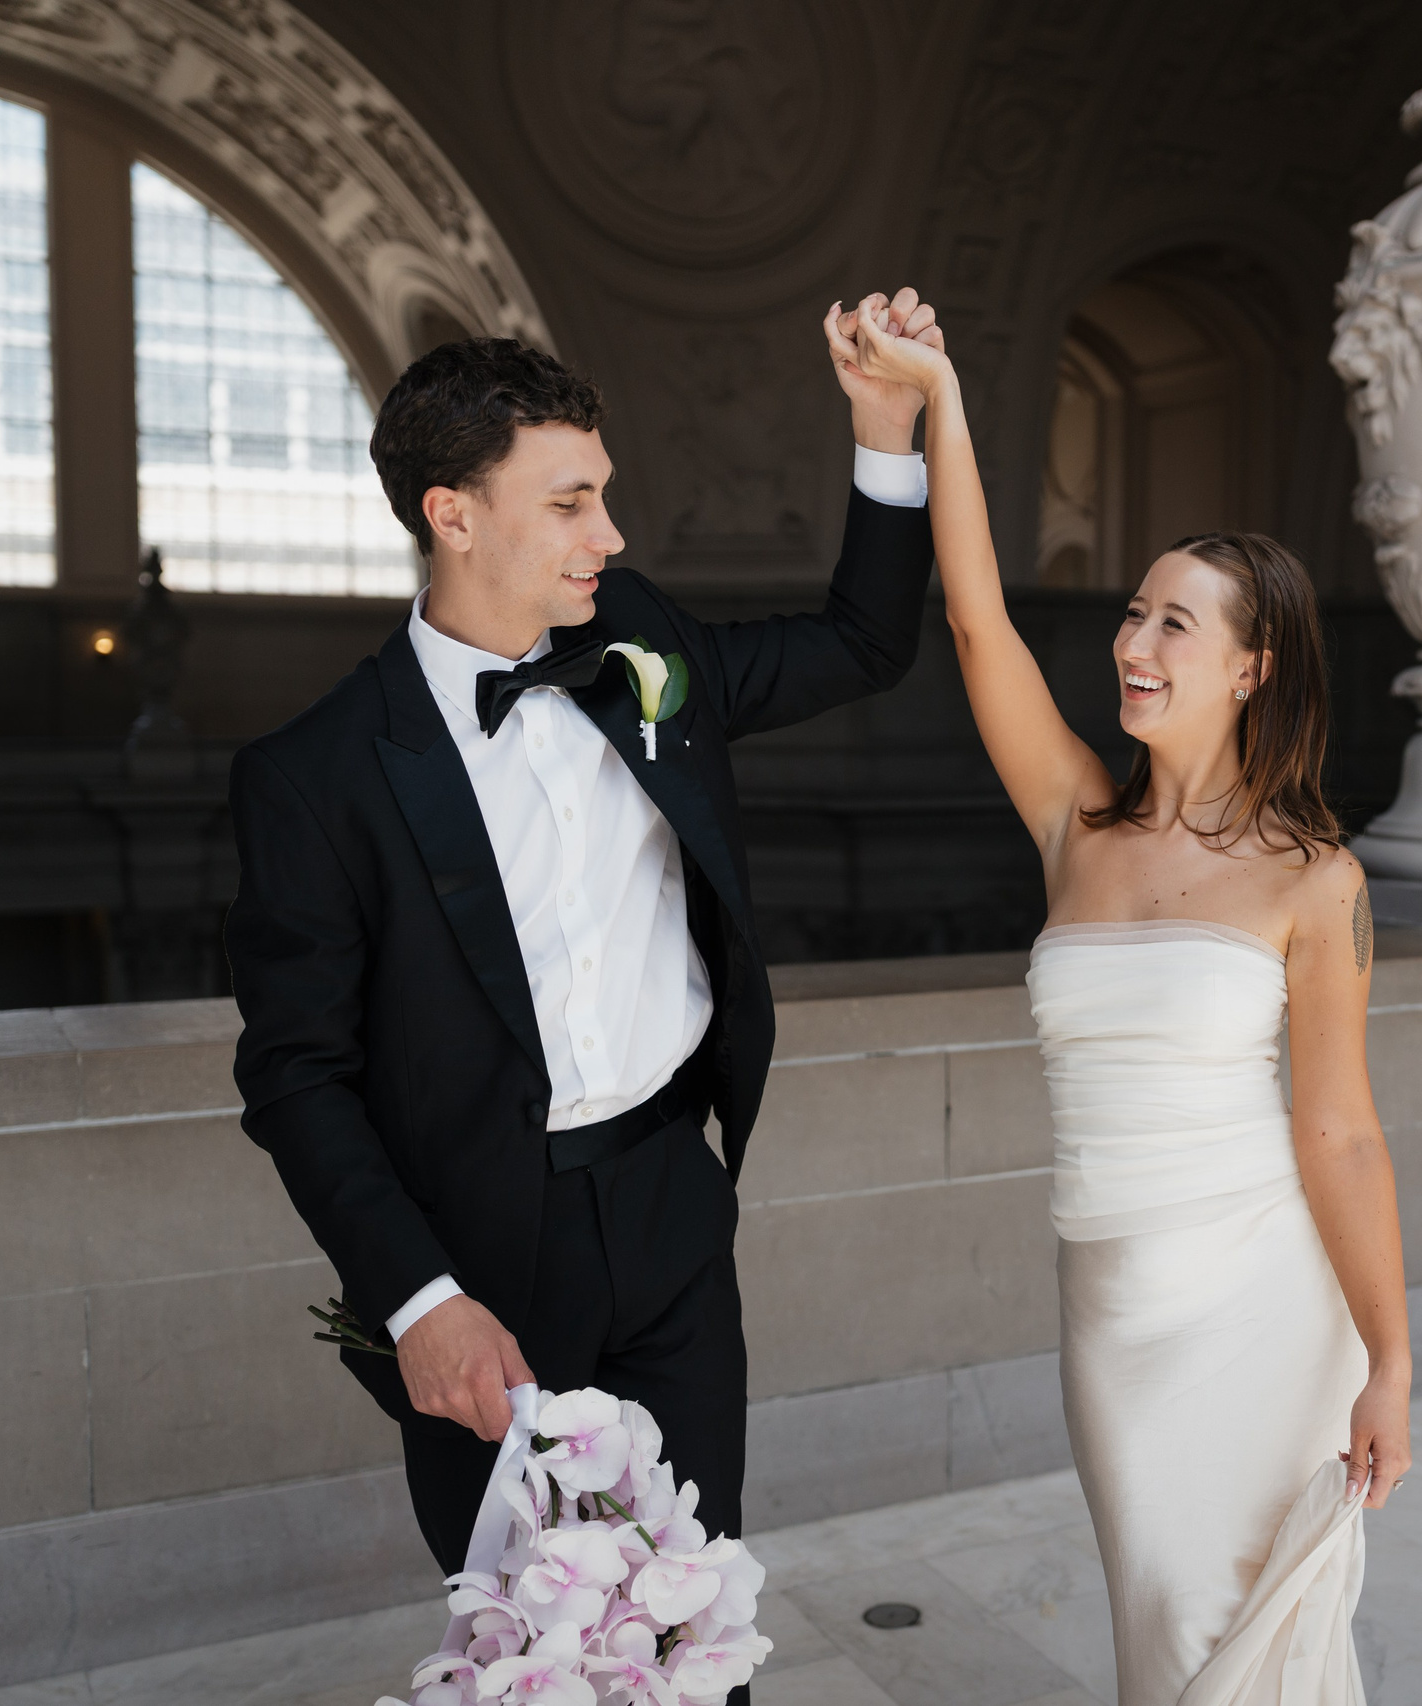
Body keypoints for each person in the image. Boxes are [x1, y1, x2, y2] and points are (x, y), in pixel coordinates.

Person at [223, 296, 943, 1685]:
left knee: (695, 1619)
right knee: (535, 1647)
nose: (608, 535)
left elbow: (863, 641)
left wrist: (886, 424)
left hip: (672, 1208)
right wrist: (418, 1298)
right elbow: (295, 1075)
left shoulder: (644, 650)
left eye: (602, 497)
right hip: (482, 1261)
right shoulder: (314, 775)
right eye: (569, 503)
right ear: (454, 513)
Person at [826, 304, 1410, 1702]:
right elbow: (975, 621)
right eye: (1135, 612)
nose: (1134, 641)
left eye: (1174, 623)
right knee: (1165, 1618)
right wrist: (937, 400)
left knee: (1244, 1633)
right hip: (1117, 1303)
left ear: (1253, 667)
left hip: (1267, 1298)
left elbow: (1339, 1132)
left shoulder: (1313, 880)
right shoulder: (1076, 820)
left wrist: (1390, 1357)